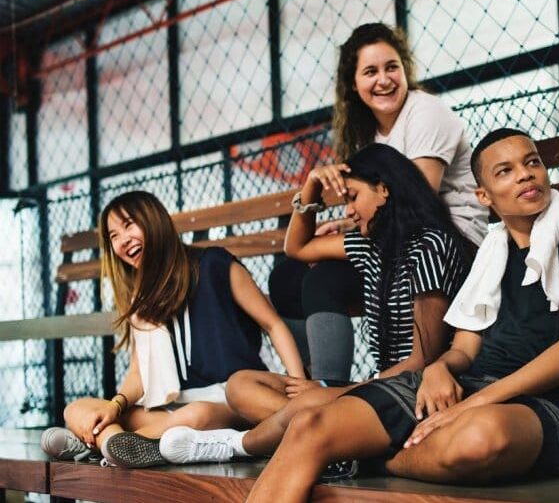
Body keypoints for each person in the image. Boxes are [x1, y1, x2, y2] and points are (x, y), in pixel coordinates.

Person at [242, 129, 559, 503]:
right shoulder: (494, 252)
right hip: (467, 387)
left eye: (532, 162)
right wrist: (440, 369)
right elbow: (465, 350)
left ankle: (362, 454)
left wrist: (474, 404)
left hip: (552, 405)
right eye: (505, 171)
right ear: (484, 196)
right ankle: (350, 448)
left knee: (479, 438)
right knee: (310, 424)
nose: (525, 174)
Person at [157, 143, 472, 464]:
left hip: (414, 388)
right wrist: (311, 187)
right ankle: (337, 444)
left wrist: (349, 388)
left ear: (383, 190)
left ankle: (238, 443)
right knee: (241, 385)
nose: (348, 211)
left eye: (352, 197)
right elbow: (298, 247)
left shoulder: (429, 246)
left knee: (304, 404)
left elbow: (423, 359)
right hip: (382, 383)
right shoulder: (371, 246)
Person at [268, 22, 487, 386]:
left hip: (450, 243)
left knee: (321, 279)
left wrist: (350, 225)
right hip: (394, 240)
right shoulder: (366, 133)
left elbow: (417, 197)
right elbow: (306, 242)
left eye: (392, 67)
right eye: (370, 71)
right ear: (353, 84)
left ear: (405, 70)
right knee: (287, 278)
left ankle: (331, 390)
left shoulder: (425, 112)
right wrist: (324, 202)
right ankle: (314, 380)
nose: (384, 79)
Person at [39, 191, 306, 468]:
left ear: (153, 221)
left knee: (195, 417)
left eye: (129, 225)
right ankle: (120, 445)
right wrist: (114, 407)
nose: (122, 241)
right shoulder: (141, 297)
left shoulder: (214, 263)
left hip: (227, 400)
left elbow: (272, 324)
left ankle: (97, 446)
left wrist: (300, 385)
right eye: (113, 236)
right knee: (77, 409)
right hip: (173, 405)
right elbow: (138, 374)